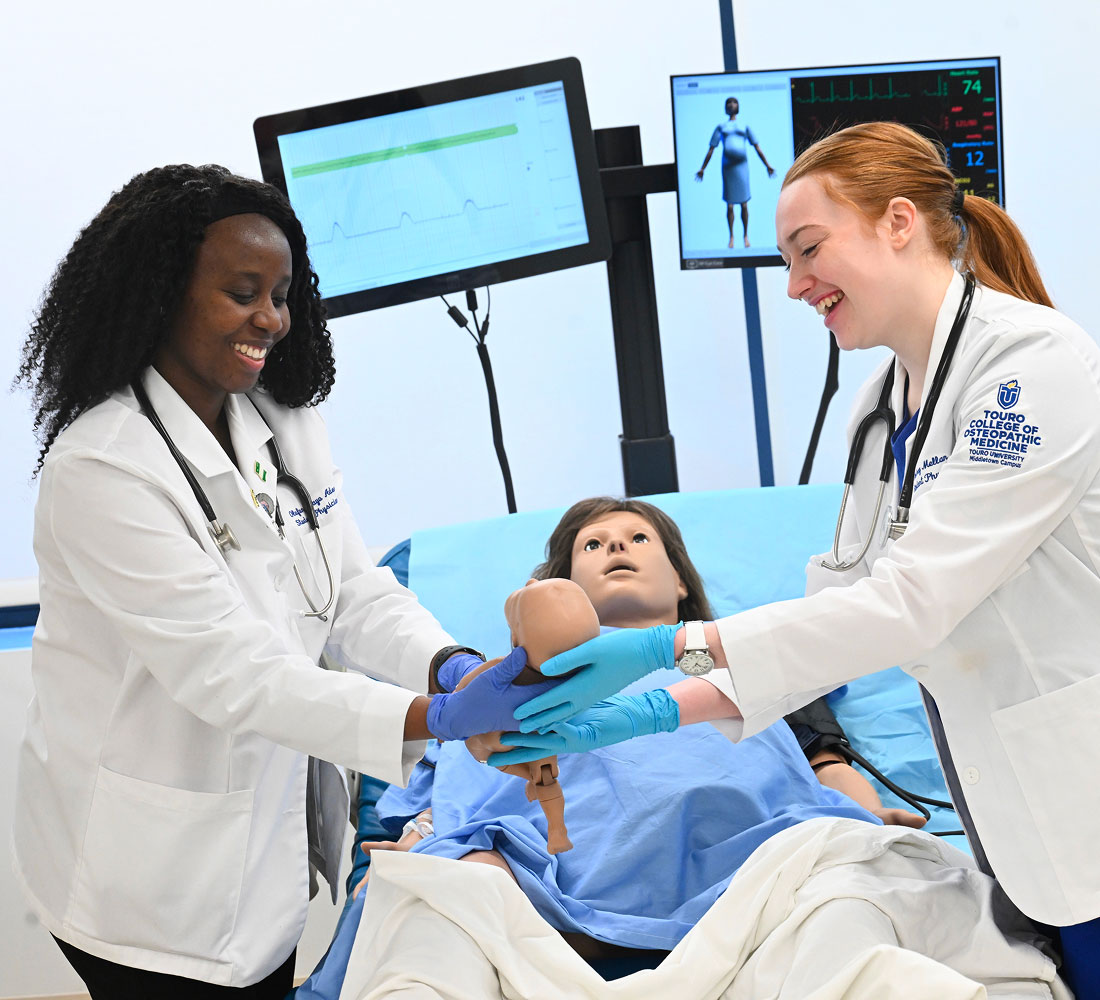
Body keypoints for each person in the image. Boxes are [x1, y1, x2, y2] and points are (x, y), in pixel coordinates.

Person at [511, 122, 1100, 998]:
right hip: (1020, 815)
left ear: (899, 222)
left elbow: (909, 604)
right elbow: (830, 620)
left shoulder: (1030, 366)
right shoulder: (879, 408)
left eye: (809, 249)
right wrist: (646, 714)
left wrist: (664, 647)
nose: (793, 285)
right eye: (787, 260)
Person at [10, 164, 551, 999]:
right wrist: (435, 719)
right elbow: (234, 674)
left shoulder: (283, 420)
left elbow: (351, 590)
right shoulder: (103, 468)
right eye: (242, 293)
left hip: (266, 849)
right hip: (149, 886)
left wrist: (451, 667)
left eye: (282, 294)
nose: (271, 318)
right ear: (163, 293)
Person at [292, 498, 943, 999]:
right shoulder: (499, 683)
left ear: (680, 583)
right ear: (557, 585)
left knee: (840, 881)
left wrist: (862, 816)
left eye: (638, 539)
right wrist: (419, 840)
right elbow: (455, 775)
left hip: (748, 862)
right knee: (442, 895)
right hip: (532, 880)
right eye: (593, 544)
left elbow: (823, 753)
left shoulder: (748, 655)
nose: (616, 548)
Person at [695, 96, 776, 248]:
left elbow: (757, 147)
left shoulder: (744, 126)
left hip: (742, 168)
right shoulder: (721, 127)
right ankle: (731, 236)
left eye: (734, 102)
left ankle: (745, 236)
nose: (731, 105)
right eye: (729, 103)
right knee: (730, 205)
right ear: (725, 107)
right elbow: (711, 149)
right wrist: (702, 168)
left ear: (738, 106)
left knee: (744, 204)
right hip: (728, 169)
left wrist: (767, 165)